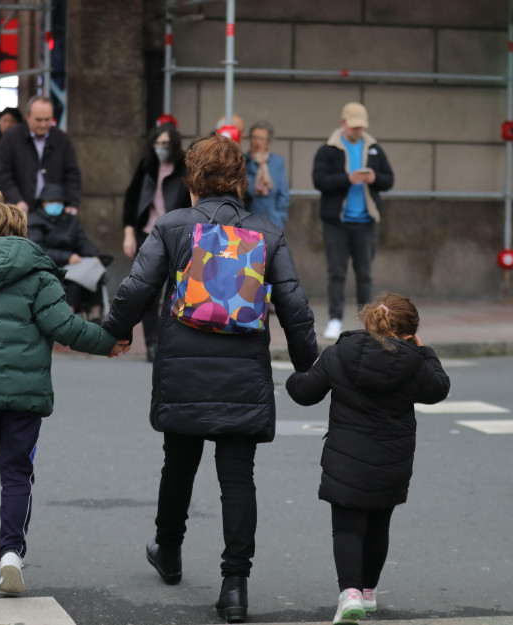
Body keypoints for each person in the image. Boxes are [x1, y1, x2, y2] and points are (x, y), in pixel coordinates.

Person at [102, 134, 319, 623]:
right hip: (243, 372)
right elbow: (295, 308)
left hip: (183, 366)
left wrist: (112, 335)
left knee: (178, 465)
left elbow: (137, 288)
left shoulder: (173, 226)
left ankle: (170, 551)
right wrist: (310, 368)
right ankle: (235, 585)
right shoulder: (266, 232)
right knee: (237, 478)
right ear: (239, 179)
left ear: (192, 179)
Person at [0, 196, 126, 595]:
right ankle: (11, 552)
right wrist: (108, 343)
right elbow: (66, 328)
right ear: (21, 232)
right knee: (17, 469)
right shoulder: (39, 276)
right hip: (24, 391)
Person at [285, 293, 449, 624]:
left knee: (347, 528)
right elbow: (439, 389)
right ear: (408, 333)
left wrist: (297, 373)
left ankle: (350, 594)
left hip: (346, 460)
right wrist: (424, 351)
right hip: (391, 462)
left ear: (370, 319)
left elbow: (304, 392)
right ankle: (369, 592)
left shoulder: (339, 353)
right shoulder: (414, 364)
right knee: (378, 525)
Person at [312, 102, 394, 340]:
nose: (358, 131)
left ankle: (367, 321)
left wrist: (374, 177)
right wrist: (347, 179)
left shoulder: (374, 148)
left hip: (365, 221)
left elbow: (389, 180)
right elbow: (319, 181)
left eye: (361, 127)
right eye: (354, 126)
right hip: (336, 222)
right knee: (336, 272)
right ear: (343, 123)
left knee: (365, 273)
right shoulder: (328, 149)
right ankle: (335, 319)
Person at [121, 122, 190, 361]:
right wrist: (129, 233)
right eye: (158, 143)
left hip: (174, 235)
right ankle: (151, 343)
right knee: (147, 292)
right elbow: (130, 200)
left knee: (173, 291)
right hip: (147, 234)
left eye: (166, 144)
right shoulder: (147, 166)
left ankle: (167, 341)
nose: (161, 148)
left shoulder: (183, 169)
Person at [0, 95, 81, 213]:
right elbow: (3, 173)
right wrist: (16, 200)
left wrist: (71, 203)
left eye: (47, 120)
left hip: (54, 210)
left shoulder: (62, 139)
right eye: (38, 120)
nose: (43, 125)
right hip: (19, 209)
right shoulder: (11, 137)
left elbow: (72, 174)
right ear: (27, 117)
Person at [27, 183, 103, 318]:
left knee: (94, 272)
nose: (55, 204)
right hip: (50, 266)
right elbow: (38, 250)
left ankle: (96, 316)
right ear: (43, 203)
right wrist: (67, 257)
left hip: (75, 263)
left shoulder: (70, 220)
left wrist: (93, 254)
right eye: (51, 201)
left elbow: (82, 241)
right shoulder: (34, 221)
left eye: (58, 201)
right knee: (76, 278)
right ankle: (68, 316)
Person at [243, 121, 290, 229]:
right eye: (255, 138)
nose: (257, 142)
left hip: (273, 221)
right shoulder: (244, 161)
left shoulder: (277, 162)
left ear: (268, 141)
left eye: (261, 139)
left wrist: (281, 216)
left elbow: (283, 192)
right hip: (249, 221)